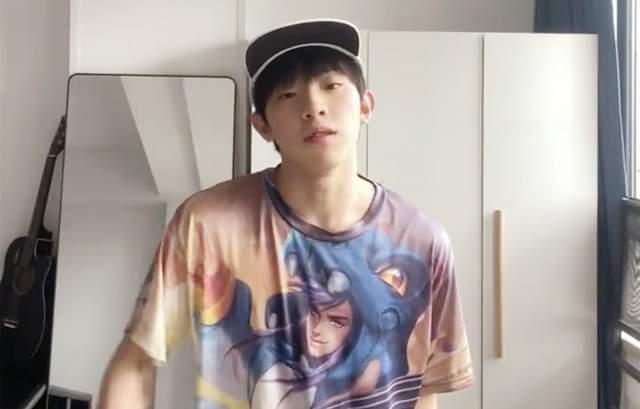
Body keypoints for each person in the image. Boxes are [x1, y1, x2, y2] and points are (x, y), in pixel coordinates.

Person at [97, 19, 473, 409]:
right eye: (288, 95)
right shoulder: (207, 225)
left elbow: (423, 388)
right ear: (262, 126)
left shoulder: (421, 241)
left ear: (365, 106)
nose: (313, 107)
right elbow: (134, 364)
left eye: (331, 86)